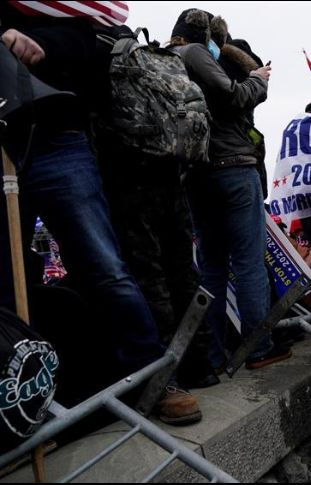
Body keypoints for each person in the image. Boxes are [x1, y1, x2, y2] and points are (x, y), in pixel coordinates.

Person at [0, 5, 200, 424]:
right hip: (3, 141)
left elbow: (88, 45)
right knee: (8, 278)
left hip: (59, 137)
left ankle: (153, 379)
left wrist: (35, 43)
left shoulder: (63, 16)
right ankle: (19, 397)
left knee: (104, 267)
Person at [169, 9, 288, 371]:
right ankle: (259, 348)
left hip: (195, 174)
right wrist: (258, 79)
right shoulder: (203, 57)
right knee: (249, 262)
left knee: (211, 267)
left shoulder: (167, 63)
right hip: (233, 169)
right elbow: (232, 96)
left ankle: (213, 352)